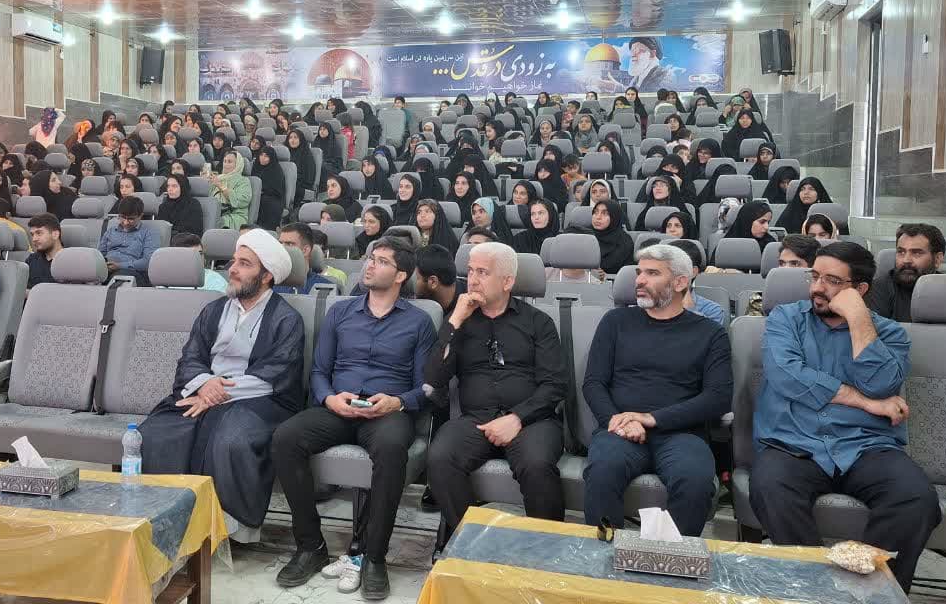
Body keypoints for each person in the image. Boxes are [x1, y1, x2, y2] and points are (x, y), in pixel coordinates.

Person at [750, 242, 938, 592]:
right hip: (793, 444)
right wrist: (866, 403)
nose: (817, 287)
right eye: (815, 276)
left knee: (916, 498)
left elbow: (881, 384)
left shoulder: (890, 333)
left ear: (860, 290)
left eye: (832, 281)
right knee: (771, 488)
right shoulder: (786, 319)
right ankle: (815, 594)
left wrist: (858, 319)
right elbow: (787, 375)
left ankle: (870, 594)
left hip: (866, 446)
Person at [273, 238, 436, 599]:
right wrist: (330, 398)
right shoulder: (340, 312)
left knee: (392, 449)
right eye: (370, 259)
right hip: (339, 408)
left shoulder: (420, 322)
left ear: (401, 275)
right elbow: (319, 371)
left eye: (381, 261)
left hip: (386, 413)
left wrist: (397, 402)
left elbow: (426, 387)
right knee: (286, 438)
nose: (370, 266)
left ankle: (374, 557)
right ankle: (311, 546)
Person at [139, 229, 304, 536]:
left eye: (245, 264)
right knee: (156, 433)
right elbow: (191, 357)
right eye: (234, 261)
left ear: (267, 276)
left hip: (257, 400)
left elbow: (277, 373)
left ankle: (226, 531)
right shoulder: (213, 310)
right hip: (205, 391)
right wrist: (205, 386)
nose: (233, 269)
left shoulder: (286, 319)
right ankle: (165, 521)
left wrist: (216, 393)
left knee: (231, 439)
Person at [582, 244, 732, 535]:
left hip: (682, 434)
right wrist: (618, 421)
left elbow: (718, 398)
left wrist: (651, 418)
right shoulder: (615, 322)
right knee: (602, 471)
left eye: (652, 273)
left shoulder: (710, 333)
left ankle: (671, 558)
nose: (639, 280)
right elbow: (594, 383)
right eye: (639, 272)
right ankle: (604, 555)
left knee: (695, 481)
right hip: (620, 430)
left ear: (680, 282)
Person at [426, 242, 567, 540]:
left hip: (532, 420)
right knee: (439, 457)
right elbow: (435, 377)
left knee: (537, 465)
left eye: (482, 272)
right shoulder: (459, 320)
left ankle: (546, 552)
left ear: (507, 281)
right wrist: (455, 321)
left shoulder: (538, 322)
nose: (473, 280)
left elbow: (555, 385)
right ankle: (473, 544)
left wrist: (516, 418)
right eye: (470, 271)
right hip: (475, 419)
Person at [867, 223, 945, 323]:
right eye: (901, 252)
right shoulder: (877, 289)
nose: (906, 260)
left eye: (916, 253)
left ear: (937, 259)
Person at [98, 197, 158, 285]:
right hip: (106, 269)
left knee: (119, 278)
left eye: (131, 219)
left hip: (132, 272)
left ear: (140, 216)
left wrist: (119, 266)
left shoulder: (149, 233)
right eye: (122, 217)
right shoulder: (111, 231)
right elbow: (99, 254)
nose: (126, 222)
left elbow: (148, 262)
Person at [666, 240, 726, 327]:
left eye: (676, 268)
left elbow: (706, 336)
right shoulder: (649, 303)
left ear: (693, 272)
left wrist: (689, 312)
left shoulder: (712, 311)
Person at [275, 223, 334, 295]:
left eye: (289, 244)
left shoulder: (326, 288)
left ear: (305, 250)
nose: (282, 249)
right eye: (280, 244)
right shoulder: (269, 284)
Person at [586, 201, 634, 276]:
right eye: (595, 212)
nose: (598, 217)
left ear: (614, 217)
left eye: (605, 213)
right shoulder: (584, 236)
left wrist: (607, 276)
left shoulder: (625, 241)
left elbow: (627, 275)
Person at [211, 150, 253, 230]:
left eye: (229, 162)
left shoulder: (243, 181)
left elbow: (241, 201)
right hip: (216, 212)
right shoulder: (218, 178)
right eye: (224, 161)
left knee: (215, 221)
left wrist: (221, 186)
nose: (225, 164)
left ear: (237, 164)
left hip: (235, 215)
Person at [157, 172, 205, 237]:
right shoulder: (163, 206)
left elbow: (194, 231)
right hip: (166, 241)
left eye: (174, 186)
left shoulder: (193, 204)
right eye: (168, 186)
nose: (170, 189)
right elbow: (160, 230)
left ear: (182, 187)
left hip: (187, 241)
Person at [26, 213, 64, 289]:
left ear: (55, 234)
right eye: (32, 234)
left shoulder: (71, 261)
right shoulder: (31, 260)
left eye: (39, 233)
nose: (34, 239)